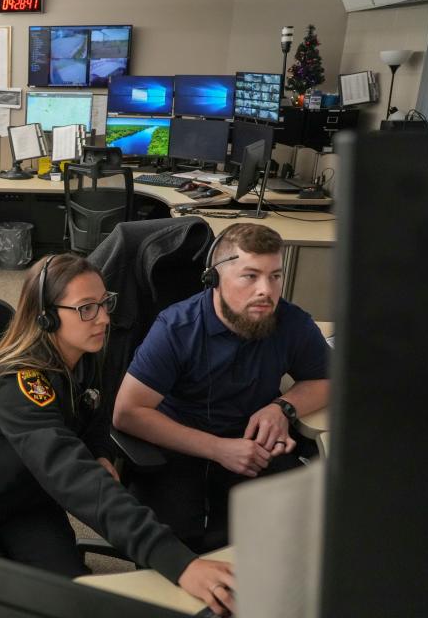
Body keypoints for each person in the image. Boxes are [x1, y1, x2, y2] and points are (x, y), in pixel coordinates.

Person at [0, 253, 236, 616]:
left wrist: (99, 453)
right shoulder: (21, 385)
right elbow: (73, 475)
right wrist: (179, 562)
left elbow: (94, 416)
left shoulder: (87, 352)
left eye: (104, 303)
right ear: (46, 316)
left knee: (70, 600)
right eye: (86, 309)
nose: (104, 318)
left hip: (26, 500)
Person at [113, 223, 330, 553]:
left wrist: (282, 407)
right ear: (213, 279)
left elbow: (327, 379)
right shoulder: (176, 328)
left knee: (281, 542)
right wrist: (218, 448)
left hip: (252, 442)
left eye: (275, 276)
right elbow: (127, 413)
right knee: (170, 550)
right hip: (178, 444)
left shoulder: (290, 321)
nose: (266, 290)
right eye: (250, 275)